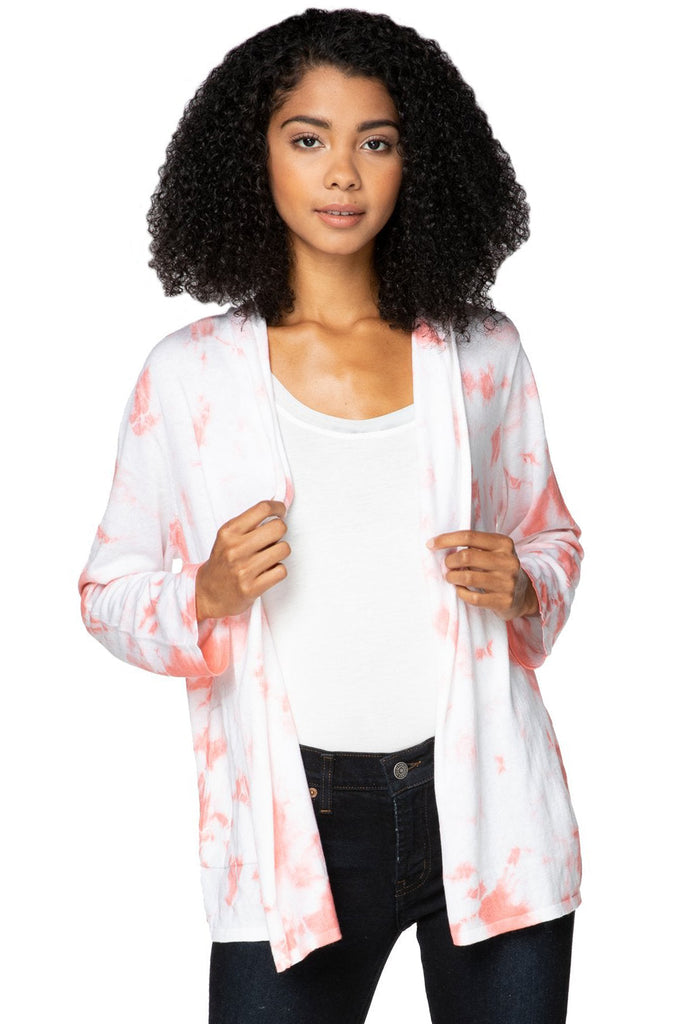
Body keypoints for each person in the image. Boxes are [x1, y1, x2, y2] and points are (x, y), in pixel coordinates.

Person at [79, 9, 583, 1023]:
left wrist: (525, 581)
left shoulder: (482, 352)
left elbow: (552, 542)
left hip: (490, 810)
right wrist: (206, 590)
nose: (343, 173)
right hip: (294, 824)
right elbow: (105, 592)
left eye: (376, 142)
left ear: (417, 163)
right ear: (252, 156)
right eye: (308, 139)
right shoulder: (188, 375)